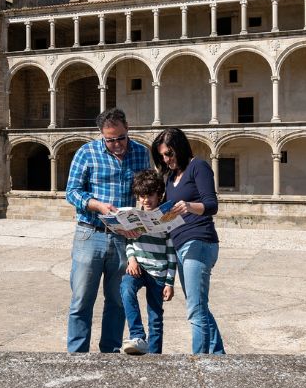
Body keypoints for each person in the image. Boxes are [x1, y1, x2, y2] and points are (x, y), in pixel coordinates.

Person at [64, 108, 150, 353]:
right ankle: (77, 355)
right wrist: (97, 205)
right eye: (110, 140)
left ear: (127, 128)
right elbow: (72, 192)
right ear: (101, 135)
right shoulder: (86, 152)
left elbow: (144, 191)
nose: (117, 144)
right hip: (90, 234)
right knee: (81, 300)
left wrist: (142, 218)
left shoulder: (141, 153)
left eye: (121, 137)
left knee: (117, 301)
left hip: (123, 237)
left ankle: (110, 355)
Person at [152, 127, 225, 355]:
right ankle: (218, 355)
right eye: (162, 156)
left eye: (169, 153)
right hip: (180, 244)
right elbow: (167, 214)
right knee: (199, 306)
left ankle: (199, 361)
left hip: (199, 242)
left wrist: (189, 206)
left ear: (180, 148)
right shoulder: (171, 177)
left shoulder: (198, 167)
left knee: (195, 310)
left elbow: (212, 205)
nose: (166, 159)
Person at [120, 169, 178, 356]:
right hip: (138, 268)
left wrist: (169, 282)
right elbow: (130, 242)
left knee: (155, 318)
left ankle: (154, 357)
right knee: (126, 288)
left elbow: (171, 253)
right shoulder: (134, 217)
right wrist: (131, 260)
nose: (146, 200)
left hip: (158, 273)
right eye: (142, 196)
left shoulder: (166, 218)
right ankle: (137, 335)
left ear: (158, 195)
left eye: (150, 195)